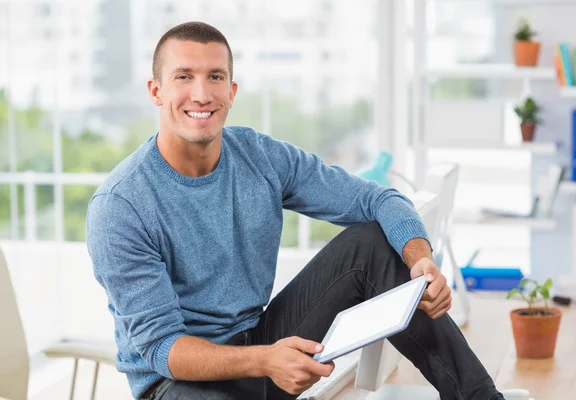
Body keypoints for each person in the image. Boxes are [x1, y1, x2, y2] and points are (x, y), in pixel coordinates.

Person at [86, 21, 504, 400]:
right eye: (184, 77)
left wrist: (422, 261)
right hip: (178, 382)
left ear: (231, 91)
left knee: (372, 241)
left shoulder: (259, 156)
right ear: (156, 91)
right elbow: (163, 349)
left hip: (261, 341)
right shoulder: (121, 207)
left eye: (215, 77)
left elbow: (379, 199)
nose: (201, 93)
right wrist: (266, 361)